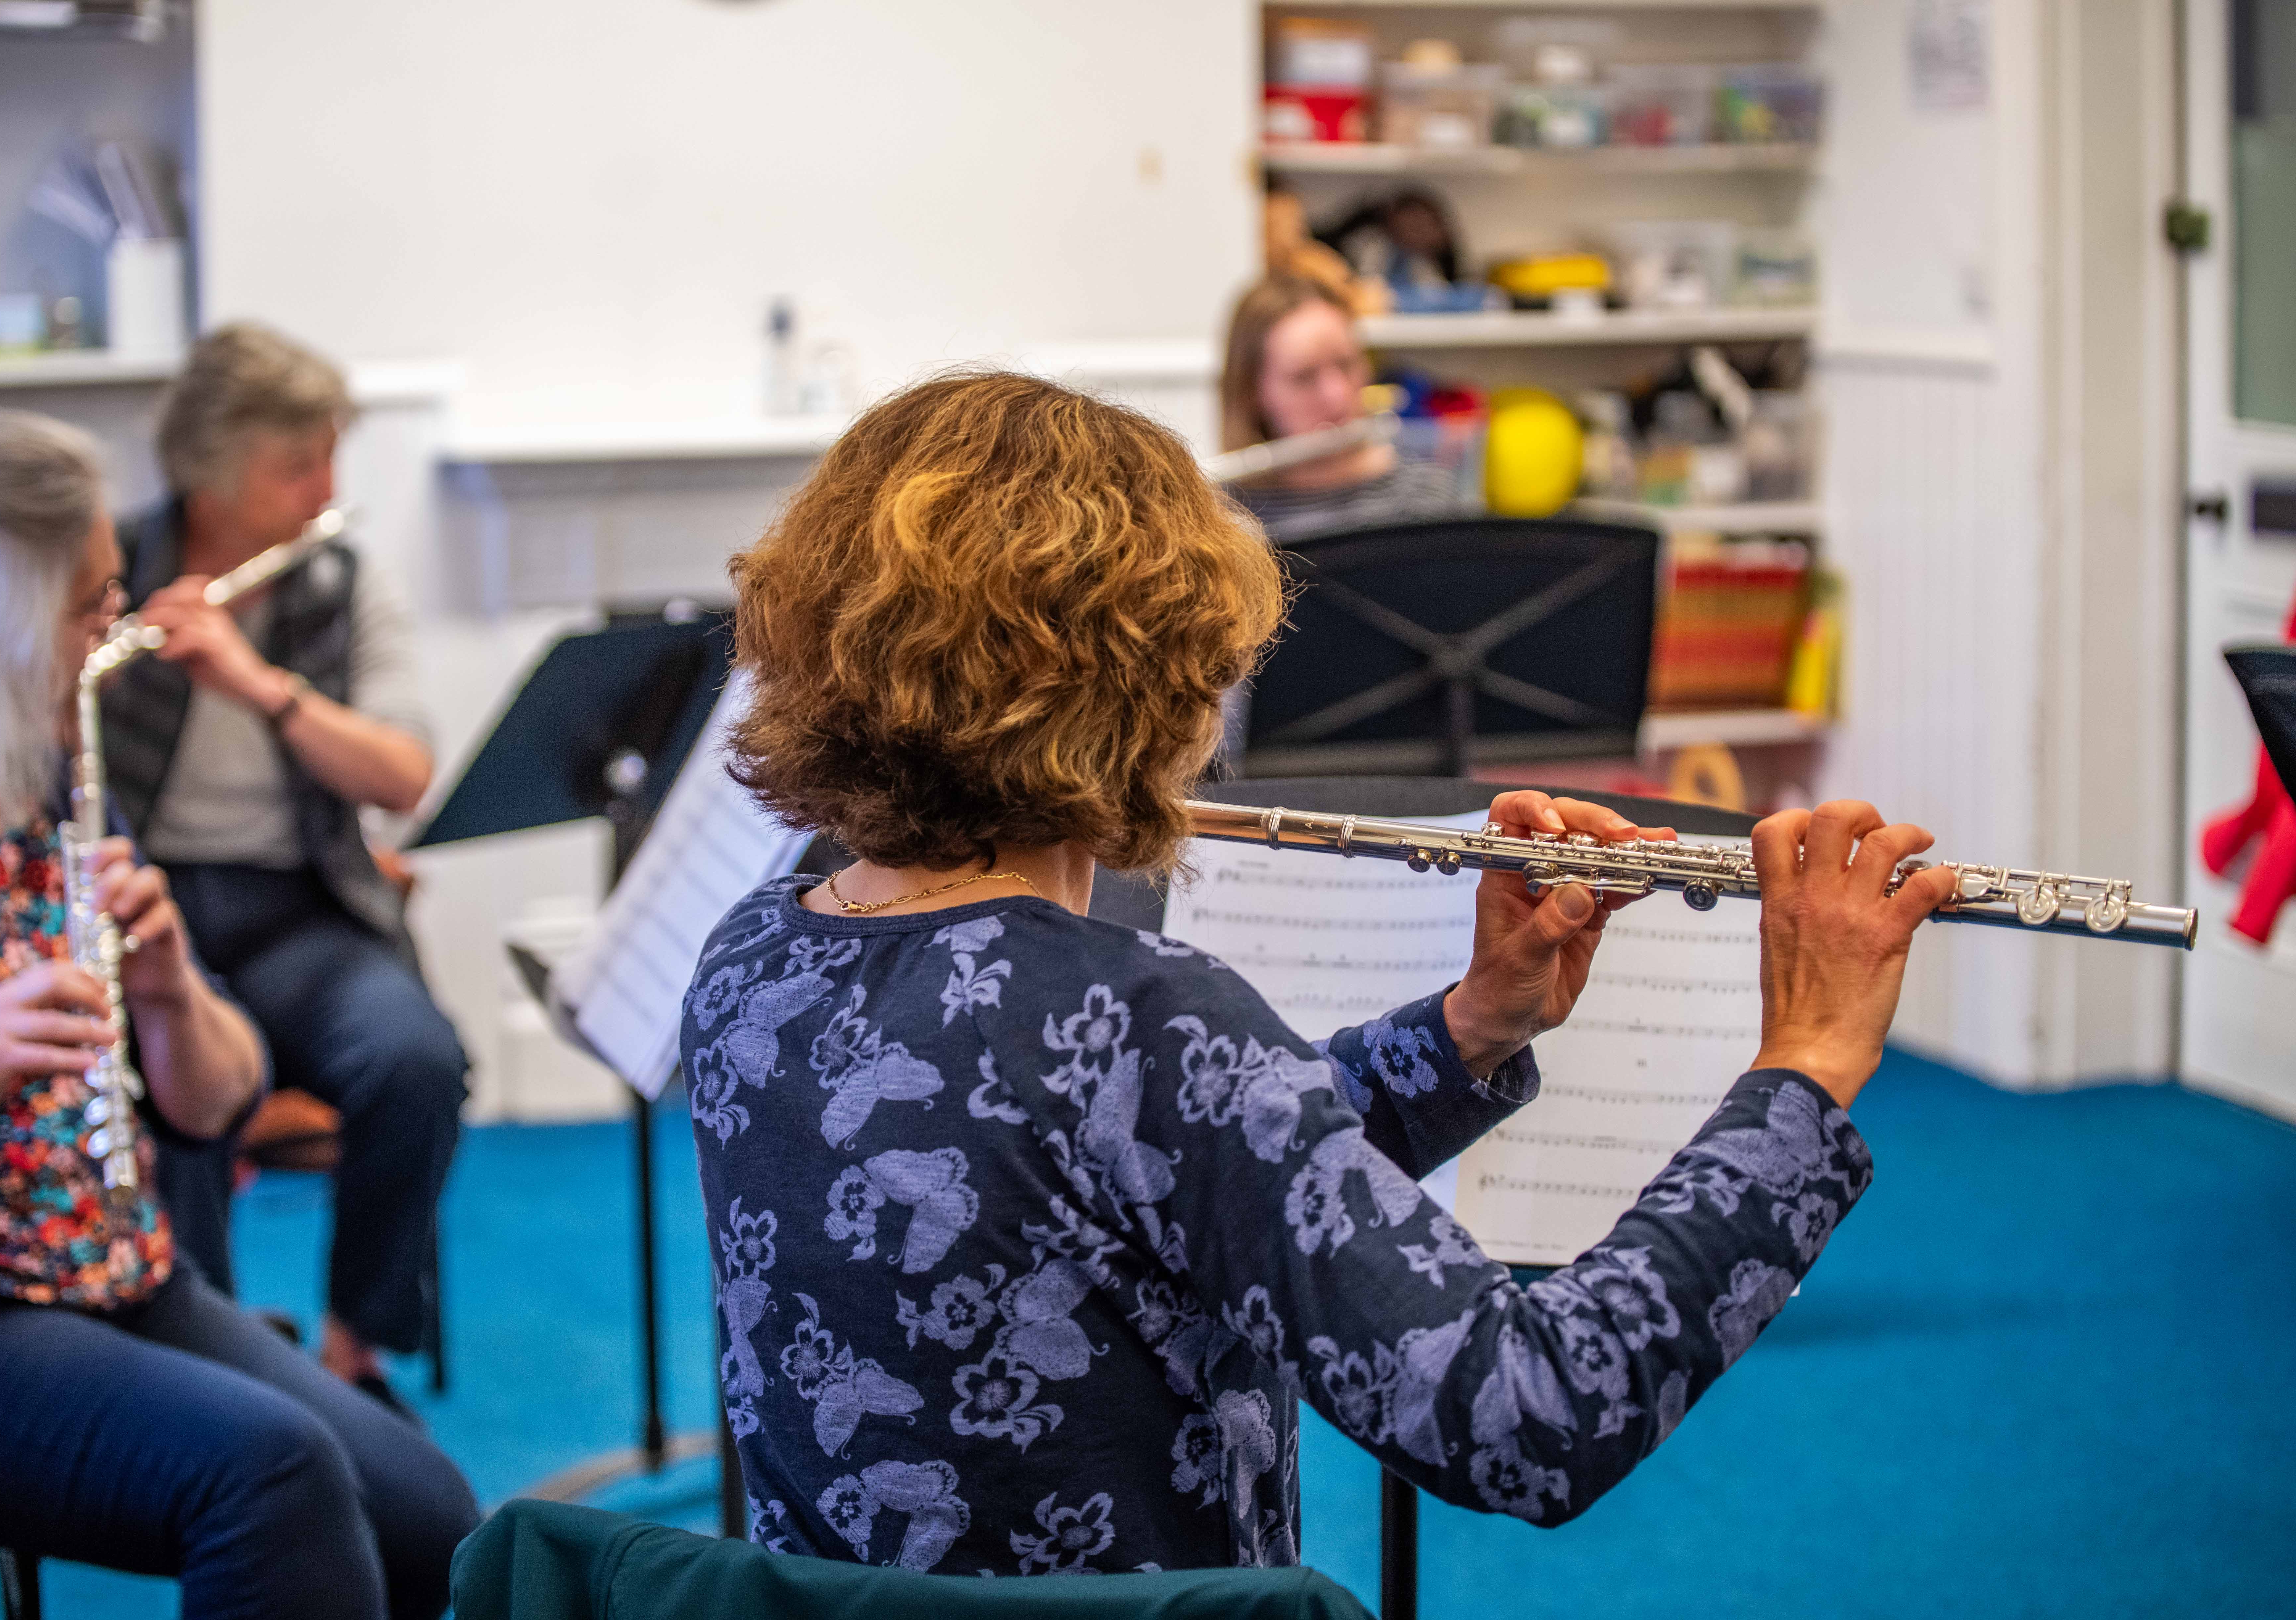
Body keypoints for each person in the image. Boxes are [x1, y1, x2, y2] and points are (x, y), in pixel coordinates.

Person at [681, 371, 1958, 1574]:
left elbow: (1146, 1172)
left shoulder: (753, 951)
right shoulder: (1139, 1019)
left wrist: (1468, 1029)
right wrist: (1804, 1063)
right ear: (1155, 687)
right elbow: (1532, 1416)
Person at [0, 408, 478, 1616]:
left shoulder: (37, 773)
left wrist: (169, 989)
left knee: (439, 1519)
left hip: (125, 1268)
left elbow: (217, 1101)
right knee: (272, 1475)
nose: (117, 632)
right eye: (90, 604)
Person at [105, 323, 466, 1402]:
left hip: (298, 904)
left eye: (330, 459)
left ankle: (354, 1350)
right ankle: (210, 1365)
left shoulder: (340, 586)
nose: (324, 490)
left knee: (417, 1063)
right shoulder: (106, 570)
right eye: (296, 464)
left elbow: (402, 776)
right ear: (208, 479)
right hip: (138, 906)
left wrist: (258, 682)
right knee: (174, 1096)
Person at [1217, 274, 1463, 541]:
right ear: (1252, 393)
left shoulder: (1421, 495)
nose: (1339, 395)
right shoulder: (1221, 518)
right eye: (1304, 376)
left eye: (1347, 364)